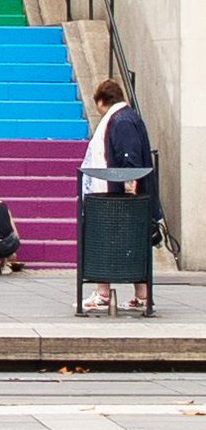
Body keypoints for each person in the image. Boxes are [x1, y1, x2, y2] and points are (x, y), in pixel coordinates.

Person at [81, 78, 156, 312]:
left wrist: (127, 186)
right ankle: (141, 296)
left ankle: (103, 293)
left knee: (107, 242)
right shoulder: (127, 117)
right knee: (131, 245)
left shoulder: (120, 120)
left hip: (116, 197)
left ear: (102, 101)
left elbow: (129, 159)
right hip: (122, 196)